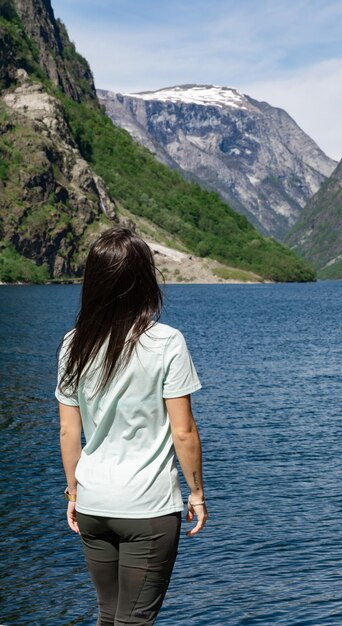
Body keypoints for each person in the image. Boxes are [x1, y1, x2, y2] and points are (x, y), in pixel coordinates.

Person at [55, 227, 208, 626]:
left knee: (111, 616)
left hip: (92, 502)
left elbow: (69, 432)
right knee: (134, 621)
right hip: (148, 507)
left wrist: (72, 492)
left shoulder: (74, 344)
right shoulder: (166, 342)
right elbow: (184, 431)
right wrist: (196, 494)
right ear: (144, 281)